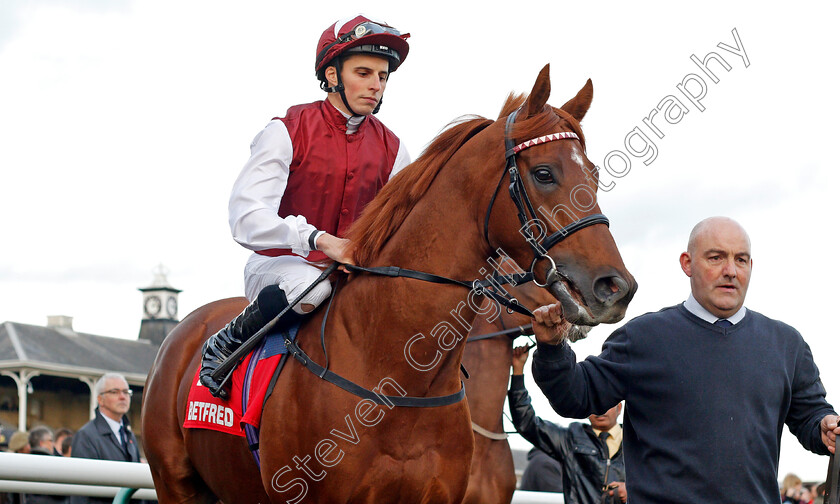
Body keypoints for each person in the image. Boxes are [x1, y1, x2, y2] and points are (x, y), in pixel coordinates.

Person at [529, 216, 840, 504]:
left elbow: (811, 416)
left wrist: (824, 427)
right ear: (687, 264)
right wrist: (553, 347)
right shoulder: (643, 338)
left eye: (740, 259)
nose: (730, 270)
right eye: (716, 257)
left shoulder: (787, 344)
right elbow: (576, 396)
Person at [199, 14, 412, 399]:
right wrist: (318, 240)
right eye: (363, 73)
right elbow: (245, 217)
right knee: (309, 290)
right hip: (280, 266)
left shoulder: (394, 149)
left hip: (354, 273)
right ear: (332, 75)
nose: (375, 85)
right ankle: (227, 341)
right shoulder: (286, 129)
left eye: (382, 76)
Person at [509, 345, 626, 504]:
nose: (601, 410)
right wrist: (517, 371)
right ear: (587, 406)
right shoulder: (571, 438)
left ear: (619, 408)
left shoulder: (637, 441)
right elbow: (526, 423)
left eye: (606, 403)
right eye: (596, 402)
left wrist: (631, 488)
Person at [70, 373, 141, 504]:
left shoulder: (129, 435)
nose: (122, 397)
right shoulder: (85, 436)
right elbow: (80, 492)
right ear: (100, 399)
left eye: (126, 392)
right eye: (115, 392)